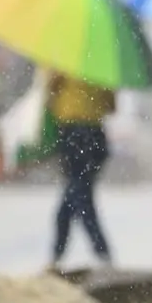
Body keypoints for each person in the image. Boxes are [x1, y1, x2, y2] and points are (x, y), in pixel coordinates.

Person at [47, 70, 115, 268]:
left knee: (78, 198)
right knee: (77, 198)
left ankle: (99, 254)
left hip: (77, 135)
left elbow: (49, 98)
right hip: (89, 137)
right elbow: (111, 106)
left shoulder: (63, 65)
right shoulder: (100, 67)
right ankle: (98, 255)